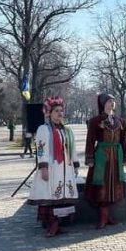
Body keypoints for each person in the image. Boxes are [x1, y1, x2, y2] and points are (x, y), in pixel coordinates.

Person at [26, 96, 80, 238]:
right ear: (49, 113)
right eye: (56, 111)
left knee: (62, 198)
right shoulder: (43, 129)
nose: (60, 114)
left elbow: (72, 149)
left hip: (65, 169)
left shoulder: (67, 131)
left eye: (61, 111)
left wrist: (75, 164)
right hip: (51, 168)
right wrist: (43, 167)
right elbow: (41, 149)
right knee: (50, 196)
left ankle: (58, 224)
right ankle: (52, 225)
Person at [84, 93, 126, 230]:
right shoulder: (95, 121)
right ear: (103, 104)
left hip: (116, 157)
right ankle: (103, 217)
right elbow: (90, 140)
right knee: (101, 185)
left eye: (113, 101)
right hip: (101, 158)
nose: (112, 103)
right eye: (109, 101)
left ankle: (108, 216)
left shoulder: (120, 121)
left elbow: (124, 140)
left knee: (113, 185)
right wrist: (90, 158)